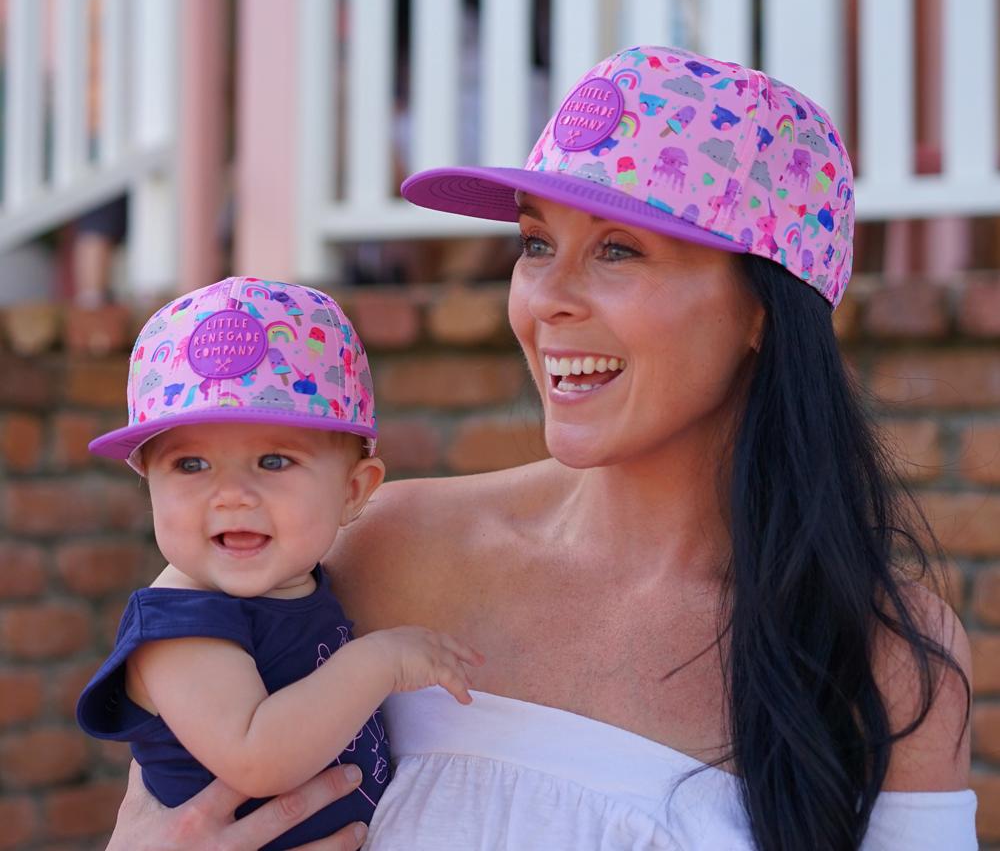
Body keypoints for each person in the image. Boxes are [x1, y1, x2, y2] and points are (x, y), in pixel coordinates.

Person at [105, 46, 975, 851]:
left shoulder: (885, 651)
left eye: (618, 250)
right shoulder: (377, 547)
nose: (545, 299)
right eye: (535, 244)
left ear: (763, 309)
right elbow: (178, 799)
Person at [78, 277, 482, 851]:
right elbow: (257, 757)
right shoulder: (179, 625)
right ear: (149, 483)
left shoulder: (303, 582)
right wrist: (382, 661)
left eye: (273, 461)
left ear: (352, 491)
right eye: (190, 465)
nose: (231, 495)